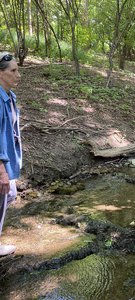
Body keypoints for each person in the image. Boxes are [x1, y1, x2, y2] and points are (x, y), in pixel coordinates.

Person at [0, 52, 22, 256]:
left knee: (10, 195)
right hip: (1, 164)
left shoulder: (10, 97)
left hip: (8, 160)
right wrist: (2, 172)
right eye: (13, 71)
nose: (18, 75)